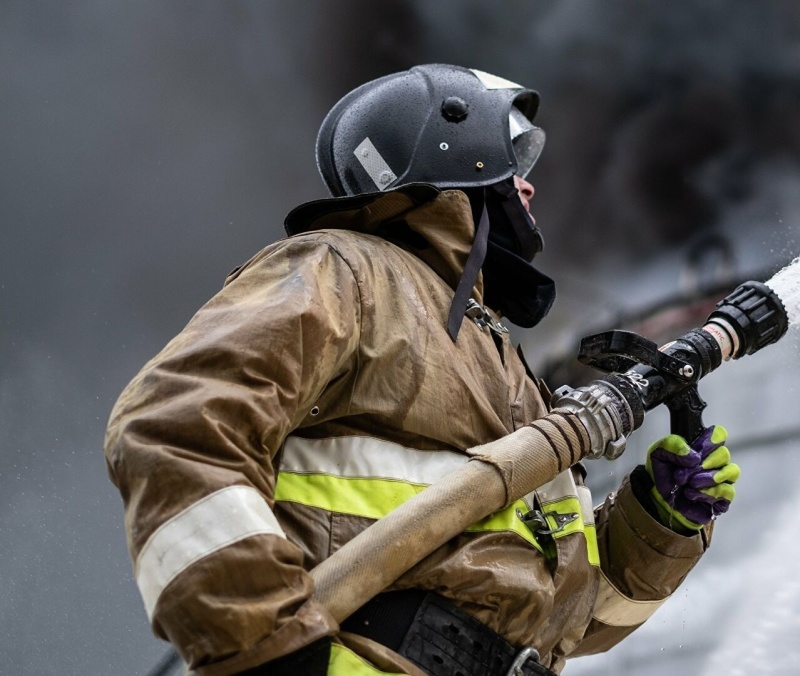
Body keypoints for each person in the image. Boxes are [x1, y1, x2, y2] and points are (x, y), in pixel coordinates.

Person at [104, 64, 740, 676]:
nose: (530, 184)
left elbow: (566, 618)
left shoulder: (503, 362)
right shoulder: (343, 269)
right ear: (457, 148)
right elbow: (175, 426)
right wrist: (263, 645)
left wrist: (660, 523)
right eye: (515, 156)